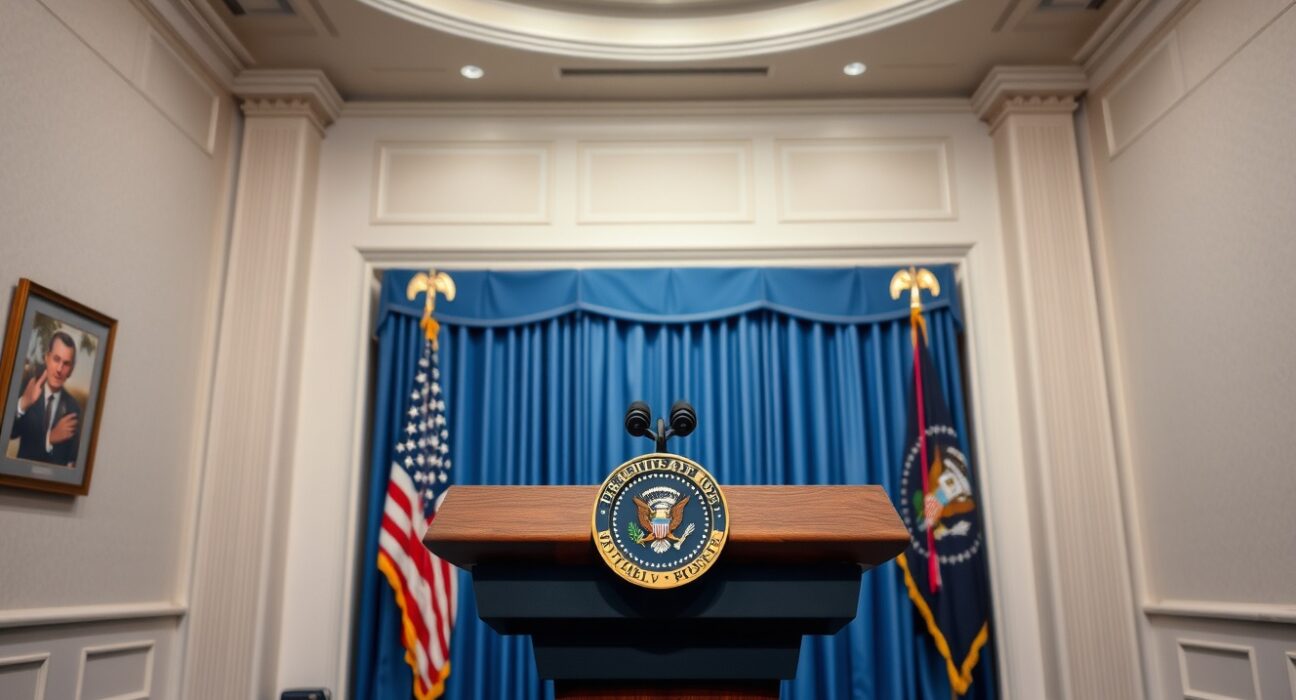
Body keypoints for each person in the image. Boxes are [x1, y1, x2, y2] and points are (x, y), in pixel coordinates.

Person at [10, 331, 81, 467]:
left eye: (66, 364)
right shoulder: (29, 389)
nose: (60, 369)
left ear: (71, 370)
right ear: (46, 358)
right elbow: (10, 434)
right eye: (56, 359)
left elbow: (71, 462)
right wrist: (23, 403)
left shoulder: (73, 407)